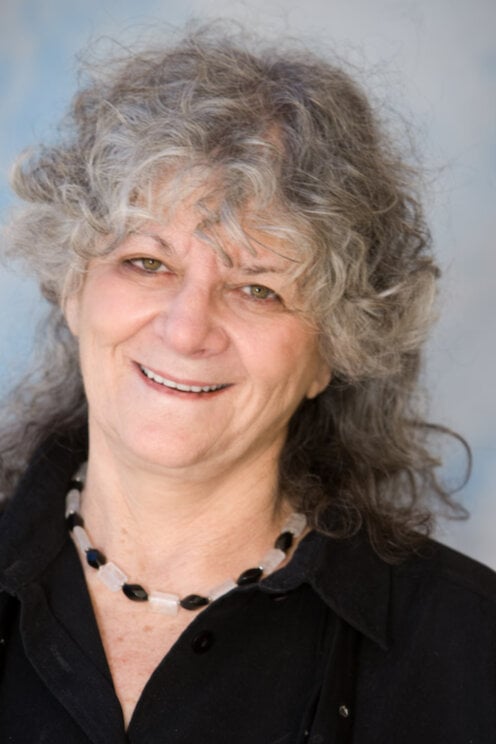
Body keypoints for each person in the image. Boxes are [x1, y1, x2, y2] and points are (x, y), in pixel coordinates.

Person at [0, 23, 494, 744]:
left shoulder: (473, 652)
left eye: (258, 289)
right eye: (147, 263)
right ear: (72, 288)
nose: (186, 329)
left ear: (336, 348)